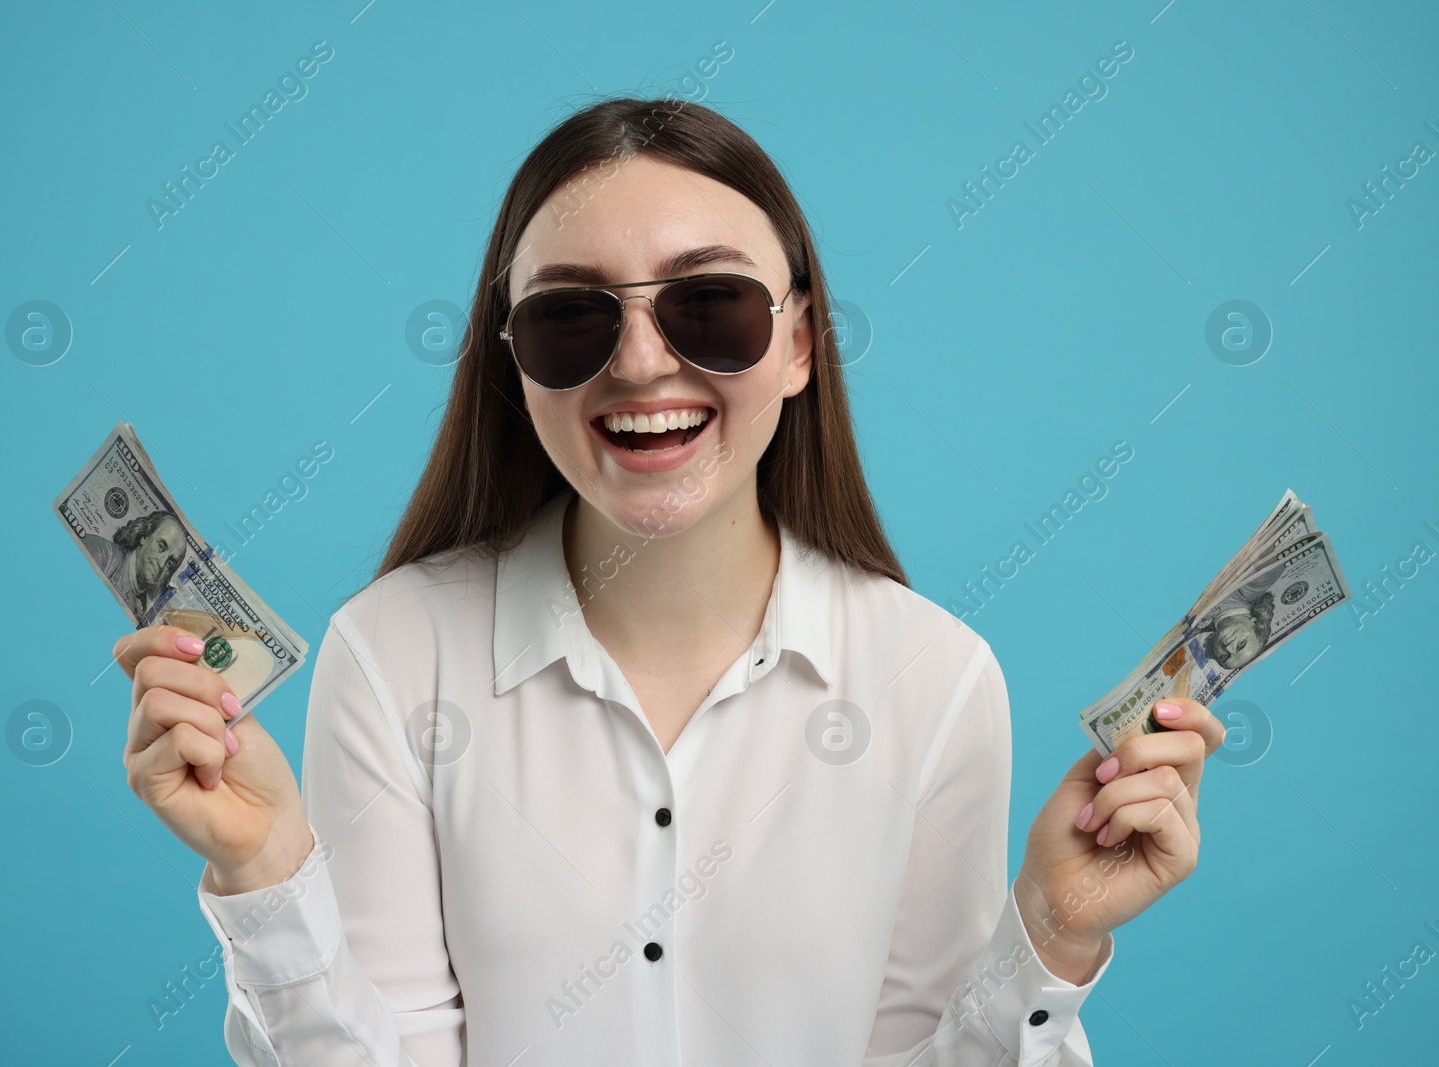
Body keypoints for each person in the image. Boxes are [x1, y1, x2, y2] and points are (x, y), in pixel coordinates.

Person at [112, 97, 1224, 1065]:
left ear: (799, 346)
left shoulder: (932, 679)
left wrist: (1053, 932)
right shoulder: (396, 652)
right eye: (569, 316)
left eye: (710, 307)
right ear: (514, 364)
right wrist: (264, 872)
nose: (640, 362)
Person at [83, 510, 187, 627]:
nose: (162, 564)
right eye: (161, 546)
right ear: (145, 537)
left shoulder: (144, 617)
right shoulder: (101, 552)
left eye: (170, 563)